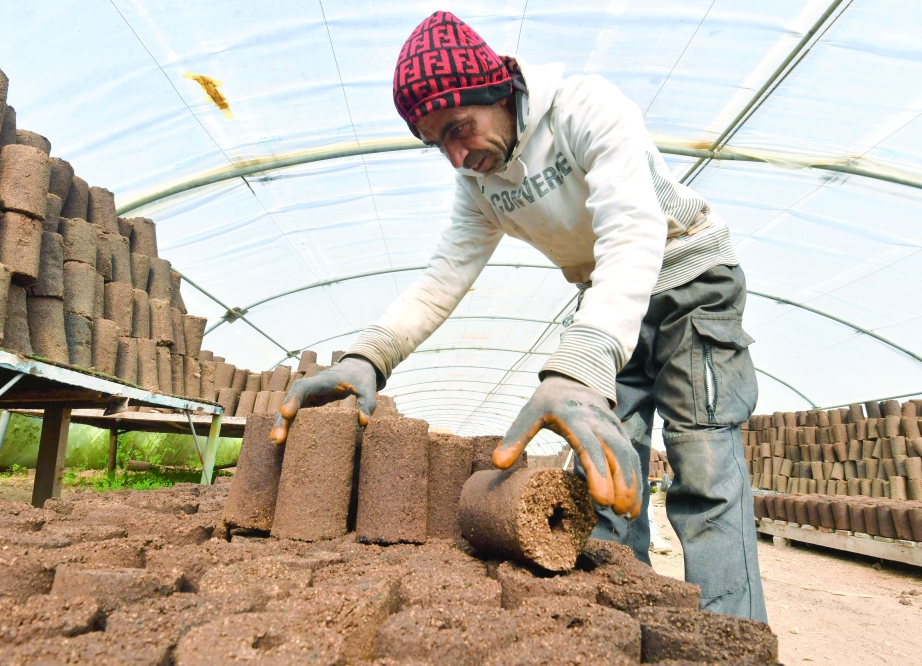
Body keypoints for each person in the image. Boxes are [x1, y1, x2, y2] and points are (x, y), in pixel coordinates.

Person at [270, 11, 765, 621]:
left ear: (496, 88)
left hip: (690, 278)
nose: (455, 155)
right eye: (437, 143)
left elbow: (633, 231)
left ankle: (730, 638)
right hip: (609, 299)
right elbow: (443, 277)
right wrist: (368, 355)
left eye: (459, 128)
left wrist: (581, 368)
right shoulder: (480, 183)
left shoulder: (586, 107)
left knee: (705, 467)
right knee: (606, 467)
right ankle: (627, 623)